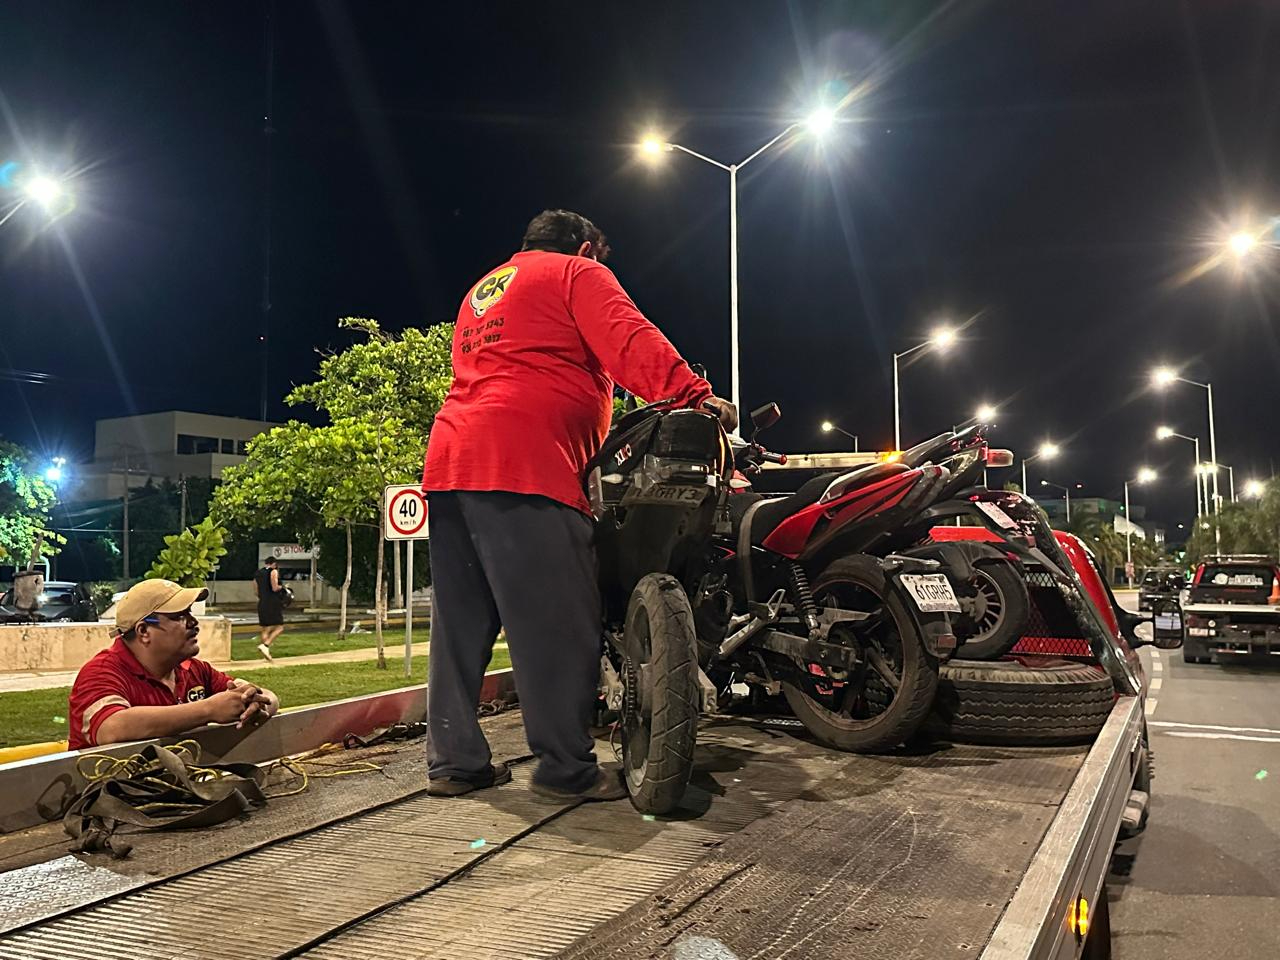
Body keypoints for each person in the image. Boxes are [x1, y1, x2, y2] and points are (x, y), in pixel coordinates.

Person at [422, 209, 736, 801]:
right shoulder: (575, 274)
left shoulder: (483, 291)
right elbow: (627, 337)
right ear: (587, 247)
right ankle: (566, 769)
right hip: (527, 459)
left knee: (460, 625)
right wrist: (695, 395)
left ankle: (454, 763)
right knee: (558, 622)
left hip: (452, 459)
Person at [68, 579, 279, 751]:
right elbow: (111, 727)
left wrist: (257, 704)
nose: (193, 622)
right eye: (180, 616)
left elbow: (267, 697)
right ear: (143, 631)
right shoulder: (102, 672)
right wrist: (208, 709)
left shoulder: (194, 669)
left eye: (190, 613)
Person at [254, 557, 286, 661]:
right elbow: (274, 587)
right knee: (280, 627)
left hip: (262, 602)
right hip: (272, 602)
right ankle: (266, 645)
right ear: (274, 564)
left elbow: (256, 590)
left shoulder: (257, 574)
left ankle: (266, 654)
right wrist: (282, 587)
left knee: (265, 628)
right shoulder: (273, 572)